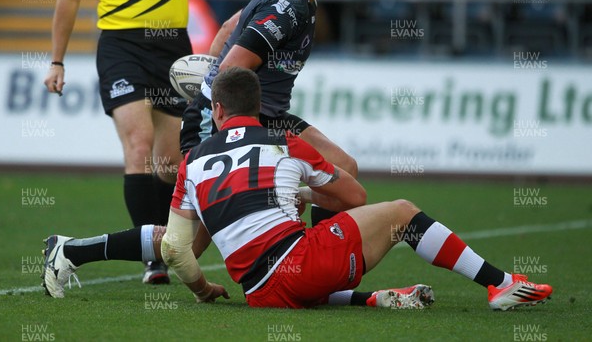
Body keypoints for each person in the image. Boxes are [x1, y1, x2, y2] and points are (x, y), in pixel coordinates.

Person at [42, 67, 553, 311]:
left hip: (257, 291)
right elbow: (354, 197)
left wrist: (203, 290)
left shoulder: (193, 159)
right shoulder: (285, 139)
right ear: (261, 105)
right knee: (401, 212)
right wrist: (299, 194)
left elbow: (176, 249)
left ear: (215, 112)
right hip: (297, 266)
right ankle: (497, 283)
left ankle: (72, 248)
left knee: (190, 240)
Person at [43, 0, 193, 283]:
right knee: (139, 145)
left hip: (172, 48)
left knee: (168, 163)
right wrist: (57, 61)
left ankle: (163, 243)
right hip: (120, 46)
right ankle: (153, 258)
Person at [181, 0, 357, 228]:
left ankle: (316, 254)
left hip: (267, 116)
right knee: (184, 243)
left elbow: (225, 30)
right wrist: (216, 112)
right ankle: (77, 250)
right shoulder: (287, 6)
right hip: (225, 120)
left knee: (343, 167)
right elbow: (231, 69)